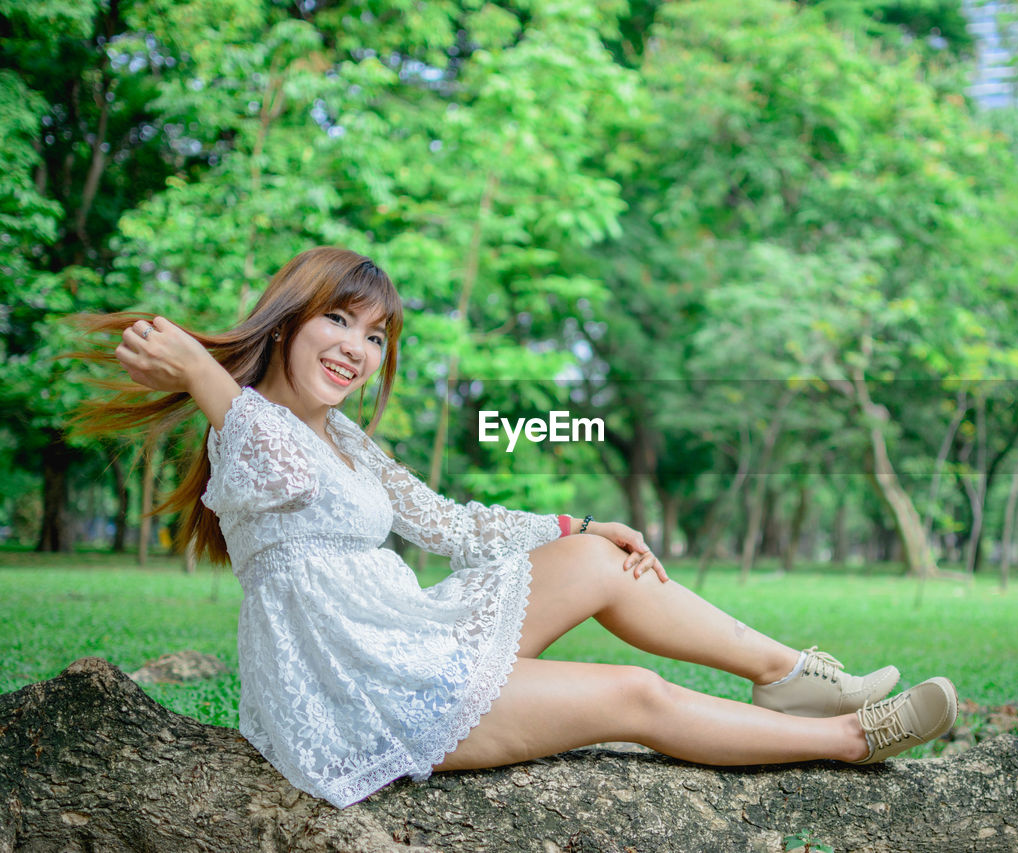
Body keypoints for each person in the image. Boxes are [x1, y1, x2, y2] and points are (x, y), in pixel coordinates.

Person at [73, 247, 957, 809]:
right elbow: (259, 441)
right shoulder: (248, 431)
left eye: (377, 335)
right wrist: (197, 369)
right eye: (337, 319)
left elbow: (443, 519)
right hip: (360, 685)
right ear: (287, 322)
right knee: (632, 696)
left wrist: (573, 520)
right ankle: (847, 739)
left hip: (404, 634)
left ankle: (789, 673)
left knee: (595, 558)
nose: (356, 346)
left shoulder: (339, 435)